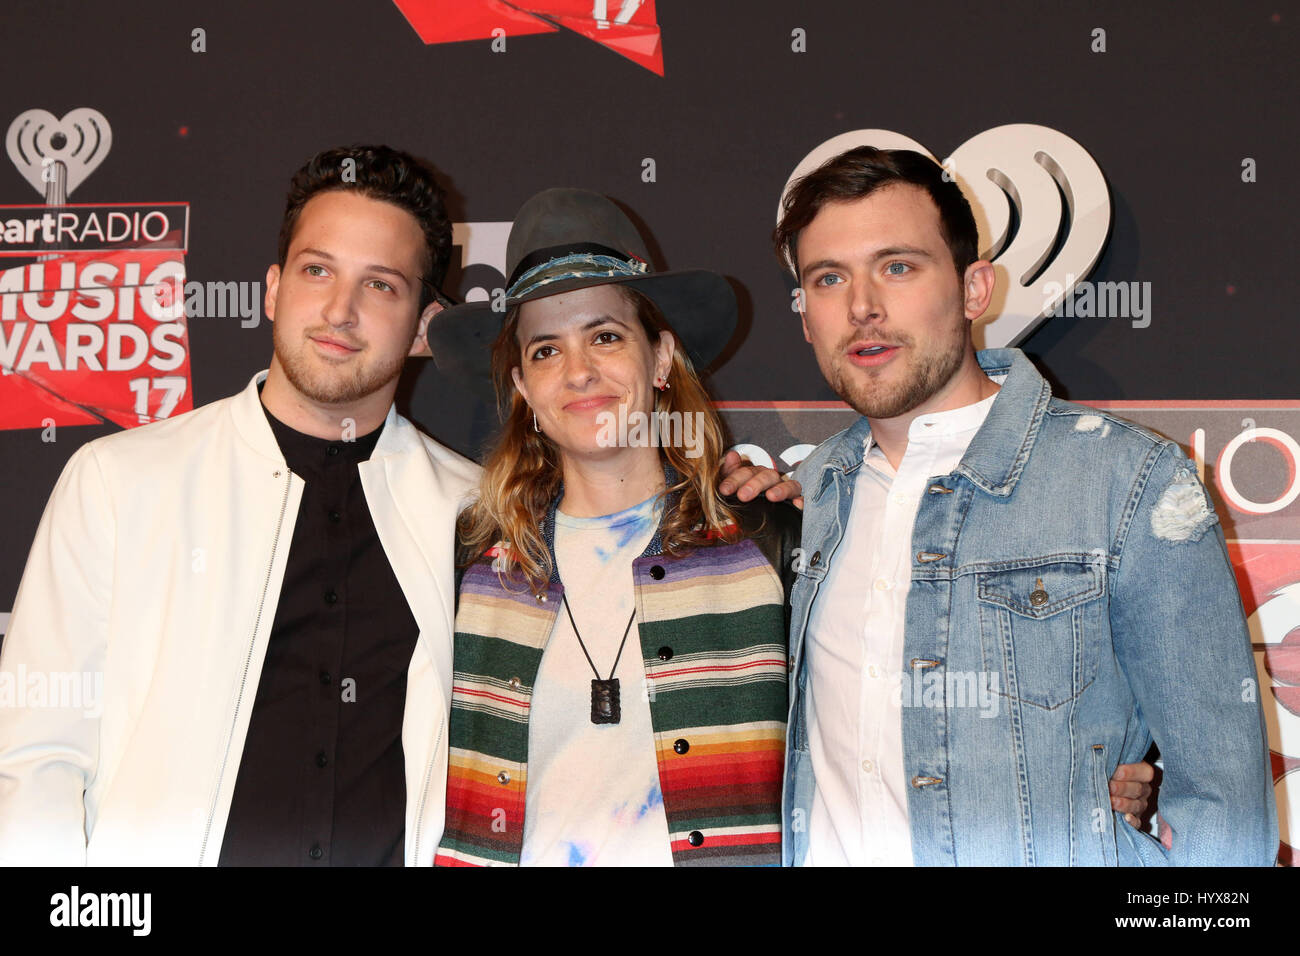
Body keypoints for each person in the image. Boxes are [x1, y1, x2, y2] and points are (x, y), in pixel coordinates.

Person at [773, 145, 1277, 865]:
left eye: (898, 267)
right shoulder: (805, 501)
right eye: (829, 278)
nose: (863, 307)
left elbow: (1224, 812)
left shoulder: (1125, 481)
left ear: (975, 290)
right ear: (805, 316)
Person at [0, 145, 482, 866]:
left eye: (379, 285)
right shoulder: (118, 482)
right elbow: (36, 759)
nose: (339, 311)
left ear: (421, 326)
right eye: (317, 270)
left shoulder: (476, 513)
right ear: (271, 288)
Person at [424, 188, 801, 866]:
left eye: (605, 336)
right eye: (545, 351)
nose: (579, 372)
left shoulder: (764, 540)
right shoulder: (473, 563)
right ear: (522, 389)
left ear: (660, 360)